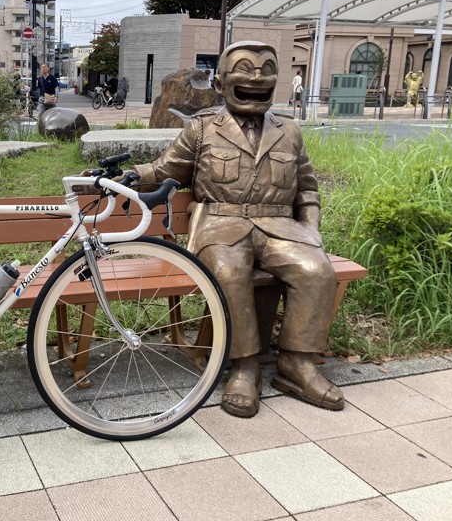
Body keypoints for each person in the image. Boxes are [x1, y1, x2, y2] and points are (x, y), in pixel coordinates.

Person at [129, 41, 342, 418]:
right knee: (229, 271)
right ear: (223, 81)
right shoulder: (203, 127)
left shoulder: (289, 131)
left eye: (265, 69)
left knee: (317, 270)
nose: (256, 77)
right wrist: (129, 176)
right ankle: (244, 367)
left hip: (280, 226)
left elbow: (307, 186)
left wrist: (311, 229)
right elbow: (165, 171)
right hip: (221, 225)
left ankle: (296, 365)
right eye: (245, 68)